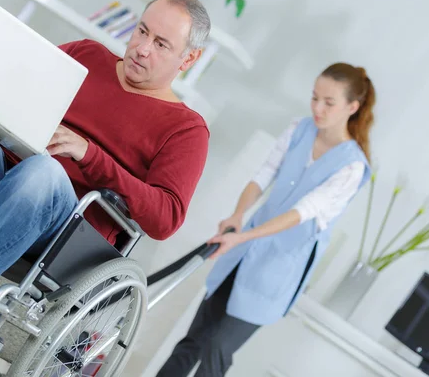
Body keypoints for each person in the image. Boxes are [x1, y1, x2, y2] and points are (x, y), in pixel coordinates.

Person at [0, 0, 211, 348]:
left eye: (161, 44)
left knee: (45, 173)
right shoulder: (85, 55)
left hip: (56, 236)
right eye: (142, 31)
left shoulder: (186, 129)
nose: (142, 48)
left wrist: (90, 156)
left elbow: (166, 219)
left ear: (189, 58)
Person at [157, 63, 376, 377]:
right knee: (193, 341)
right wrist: (237, 215)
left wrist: (242, 236)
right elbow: (262, 176)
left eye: (329, 103)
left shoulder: (352, 167)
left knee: (217, 350)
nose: (317, 108)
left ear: (352, 107)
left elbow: (302, 211)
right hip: (241, 254)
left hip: (275, 272)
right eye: (315, 98)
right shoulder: (298, 129)